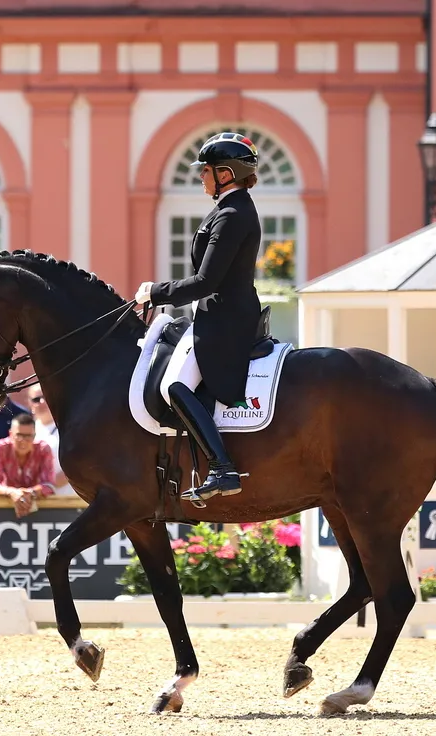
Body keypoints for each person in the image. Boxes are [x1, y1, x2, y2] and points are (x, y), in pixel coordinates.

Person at [133, 131, 263, 502]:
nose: (200, 177)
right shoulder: (226, 209)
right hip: (217, 315)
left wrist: (156, 292)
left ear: (225, 173)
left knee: (173, 386)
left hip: (224, 321)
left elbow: (206, 281)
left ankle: (223, 468)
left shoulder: (233, 215)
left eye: (205, 171)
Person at [0, 413, 55, 518]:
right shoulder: (1, 448)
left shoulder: (43, 449)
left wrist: (29, 493)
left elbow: (49, 485)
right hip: (5, 507)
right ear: (10, 434)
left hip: (37, 510)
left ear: (34, 436)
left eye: (28, 436)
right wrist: (12, 492)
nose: (23, 441)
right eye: (19, 435)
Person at [28, 383, 73, 497]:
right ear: (30, 404)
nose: (42, 402)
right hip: (36, 502)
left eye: (46, 397)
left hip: (67, 501)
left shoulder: (68, 428)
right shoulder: (26, 431)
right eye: (36, 399)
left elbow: (79, 463)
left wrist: (47, 484)